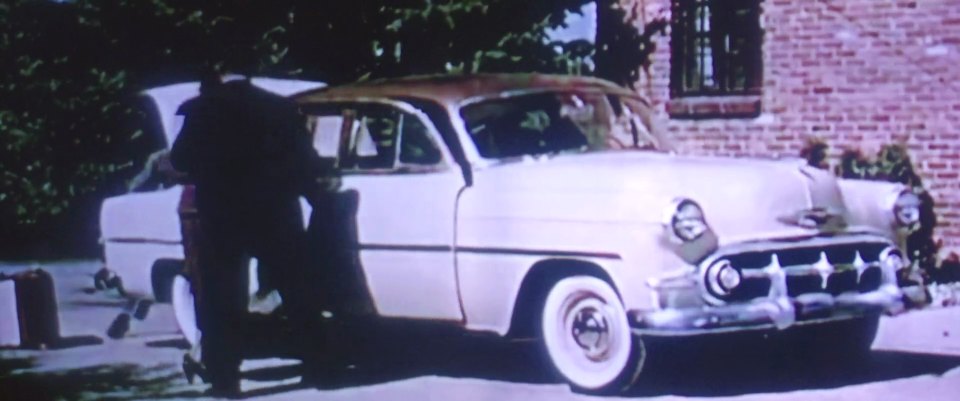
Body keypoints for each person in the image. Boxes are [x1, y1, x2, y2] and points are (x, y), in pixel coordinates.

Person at [170, 69, 333, 396]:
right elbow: (305, 162)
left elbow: (181, 158)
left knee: (221, 298)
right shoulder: (279, 107)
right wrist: (316, 197)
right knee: (298, 291)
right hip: (276, 211)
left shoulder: (202, 109)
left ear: (215, 76)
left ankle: (226, 379)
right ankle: (320, 368)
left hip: (222, 214)